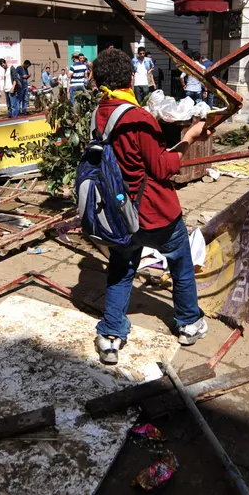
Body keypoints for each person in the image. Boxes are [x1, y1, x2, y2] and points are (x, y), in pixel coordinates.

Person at [90, 48, 210, 365]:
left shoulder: (100, 113)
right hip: (155, 213)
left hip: (117, 213)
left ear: (98, 80)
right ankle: (188, 324)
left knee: (121, 269)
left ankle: (111, 336)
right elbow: (163, 167)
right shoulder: (138, 117)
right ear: (131, 77)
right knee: (181, 266)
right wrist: (190, 137)